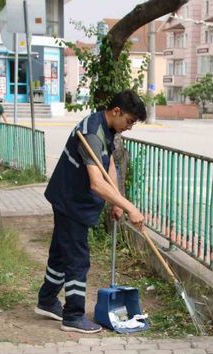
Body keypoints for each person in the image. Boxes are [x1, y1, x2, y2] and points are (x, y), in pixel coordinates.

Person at [35, 90, 147, 334]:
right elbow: (97, 183)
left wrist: (118, 202)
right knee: (77, 259)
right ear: (116, 111)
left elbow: (108, 166)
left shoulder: (107, 129)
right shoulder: (92, 133)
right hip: (70, 201)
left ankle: (46, 301)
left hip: (72, 199)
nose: (129, 127)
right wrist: (130, 207)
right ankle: (73, 316)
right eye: (129, 121)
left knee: (60, 254)